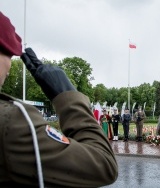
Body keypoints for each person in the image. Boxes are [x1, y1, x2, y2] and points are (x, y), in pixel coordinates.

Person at [0, 12, 117, 187]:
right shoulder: (13, 121)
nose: (9, 65)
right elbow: (103, 164)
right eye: (8, 53)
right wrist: (69, 96)